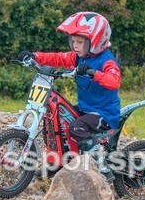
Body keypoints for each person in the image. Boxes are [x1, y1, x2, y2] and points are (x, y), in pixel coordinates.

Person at [18, 11, 121, 176]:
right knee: (53, 121)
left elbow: (114, 81)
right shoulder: (78, 57)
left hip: (104, 113)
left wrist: (94, 73)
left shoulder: (106, 60)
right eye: (73, 41)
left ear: (96, 41)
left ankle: (101, 166)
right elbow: (58, 58)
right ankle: (57, 162)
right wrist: (34, 56)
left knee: (76, 127)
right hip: (84, 109)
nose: (75, 46)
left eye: (80, 42)